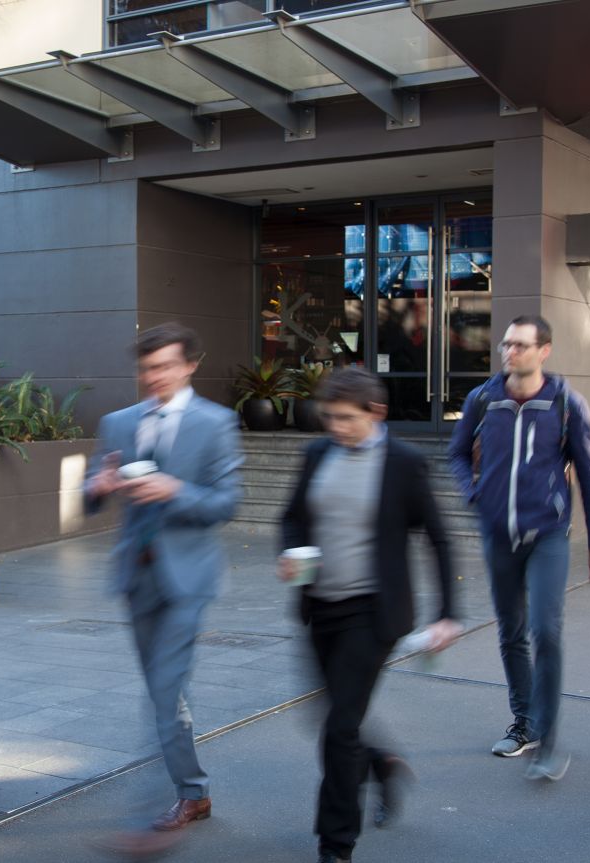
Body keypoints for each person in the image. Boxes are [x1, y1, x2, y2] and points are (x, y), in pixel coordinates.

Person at [281, 367, 460, 863]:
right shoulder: (317, 453)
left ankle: (335, 844)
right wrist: (291, 552)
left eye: (345, 418)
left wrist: (448, 613)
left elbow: (439, 537)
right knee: (332, 715)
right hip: (320, 607)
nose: (335, 427)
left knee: (340, 727)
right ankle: (382, 763)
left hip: (373, 612)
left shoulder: (403, 463)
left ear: (375, 413)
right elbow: (292, 516)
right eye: (329, 418)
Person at [84, 322, 242, 846]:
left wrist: (175, 489)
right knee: (163, 689)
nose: (154, 377)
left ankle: (167, 804)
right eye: (147, 368)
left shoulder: (216, 423)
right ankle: (194, 793)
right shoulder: (118, 423)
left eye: (166, 366)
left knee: (165, 688)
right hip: (137, 574)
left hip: (188, 578)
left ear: (190, 365)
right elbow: (89, 494)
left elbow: (225, 503)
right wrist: (100, 486)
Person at [447, 314, 590, 781]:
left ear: (544, 350)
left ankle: (548, 742)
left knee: (546, 630)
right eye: (505, 345)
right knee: (511, 632)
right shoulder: (484, 399)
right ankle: (525, 724)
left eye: (520, 345)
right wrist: (473, 493)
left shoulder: (564, 403)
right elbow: (457, 453)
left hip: (548, 535)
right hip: (498, 534)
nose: (509, 352)